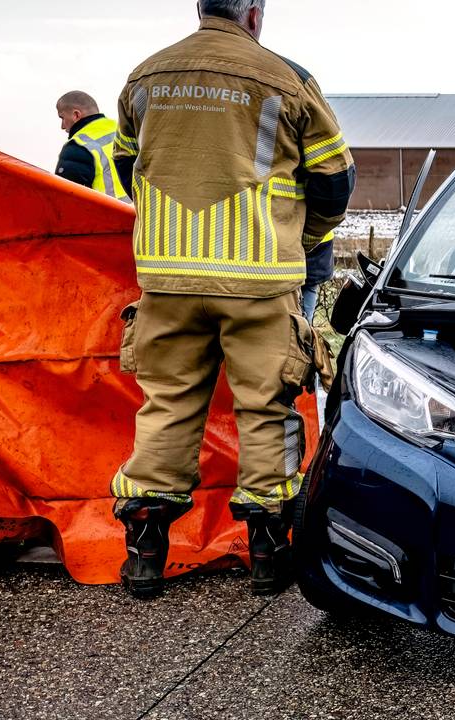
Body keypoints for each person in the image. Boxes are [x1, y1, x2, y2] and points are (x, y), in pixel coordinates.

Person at [109, 0, 354, 599]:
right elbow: (334, 180)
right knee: (266, 408)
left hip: (167, 281)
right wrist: (306, 237)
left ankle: (144, 554)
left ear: (200, 7)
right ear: (254, 13)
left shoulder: (145, 76)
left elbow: (125, 164)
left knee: (166, 405)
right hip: (258, 282)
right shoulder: (285, 80)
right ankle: (268, 555)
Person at [54, 91, 130, 202]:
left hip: (105, 217)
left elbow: (63, 202)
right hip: (140, 216)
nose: (62, 126)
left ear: (76, 115)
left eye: (62, 118)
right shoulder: (122, 129)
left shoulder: (77, 147)